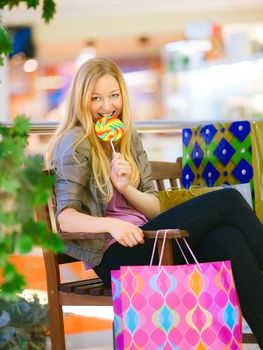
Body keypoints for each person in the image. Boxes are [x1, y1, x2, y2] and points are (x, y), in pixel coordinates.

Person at [46, 57, 263, 348]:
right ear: (81, 100)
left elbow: (155, 208)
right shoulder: (74, 144)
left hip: (152, 241)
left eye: (113, 96)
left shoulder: (127, 137)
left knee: (229, 239)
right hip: (117, 257)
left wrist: (126, 188)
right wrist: (112, 225)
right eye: (95, 98)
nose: (106, 106)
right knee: (228, 200)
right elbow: (66, 218)